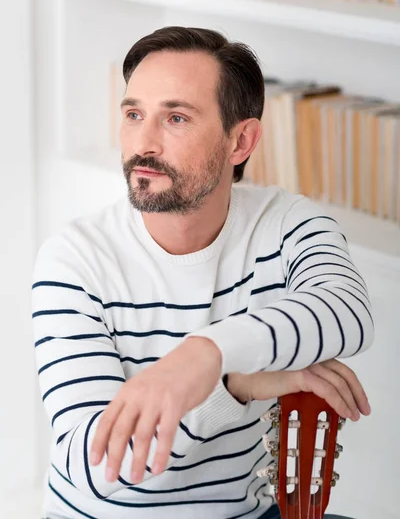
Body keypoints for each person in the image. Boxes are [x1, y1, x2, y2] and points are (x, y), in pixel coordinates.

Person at [32, 26, 373, 519]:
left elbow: (348, 312)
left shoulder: (284, 224)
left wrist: (204, 354)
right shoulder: (74, 260)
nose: (143, 143)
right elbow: (97, 468)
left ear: (241, 140)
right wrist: (235, 385)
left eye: (175, 117)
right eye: (133, 115)